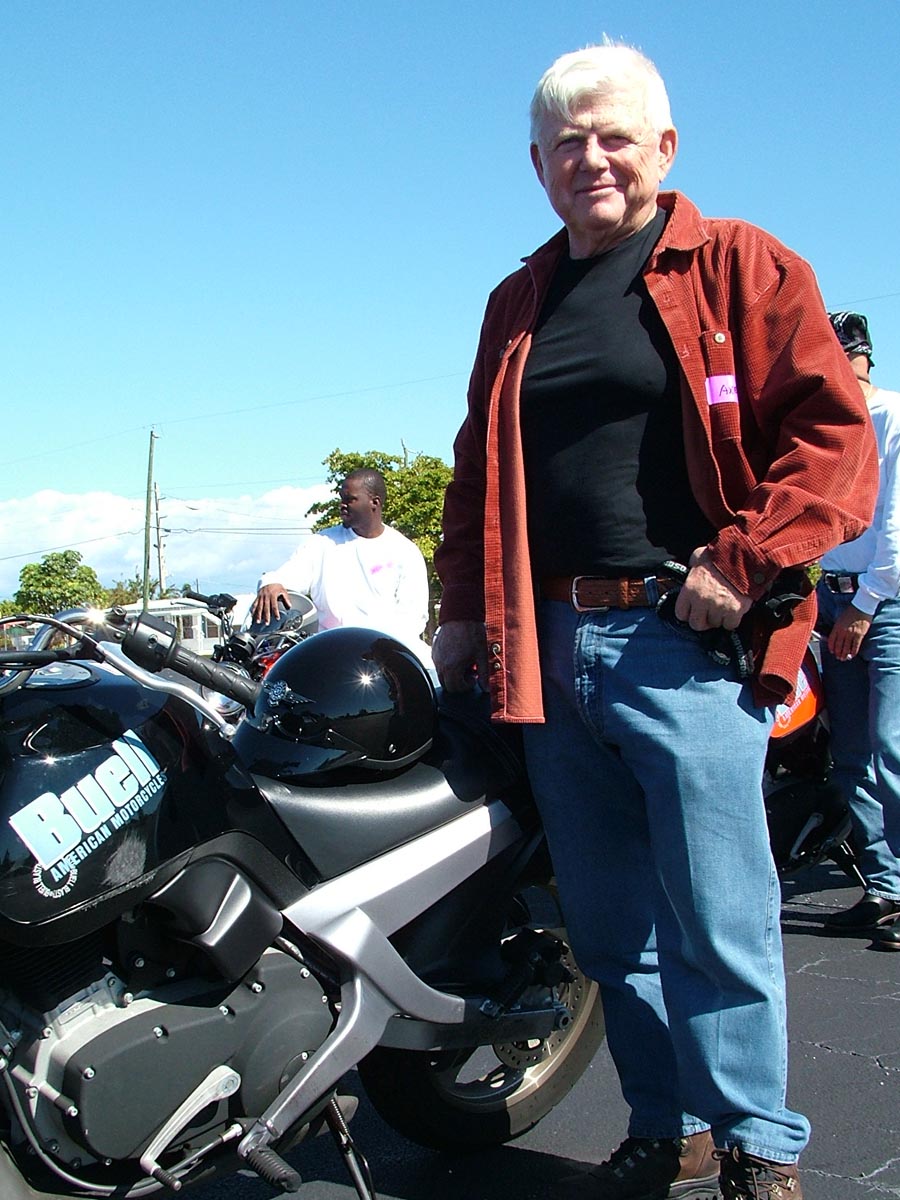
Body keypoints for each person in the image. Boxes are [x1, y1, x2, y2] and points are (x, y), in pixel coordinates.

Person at [433, 42, 878, 1200]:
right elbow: (477, 475)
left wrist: (745, 557)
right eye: (565, 143)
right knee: (607, 926)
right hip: (550, 652)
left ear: (664, 148)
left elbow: (835, 443)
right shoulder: (518, 301)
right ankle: (667, 1125)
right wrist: (459, 615)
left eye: (615, 137)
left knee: (718, 917)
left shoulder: (739, 266)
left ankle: (758, 1145)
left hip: (679, 647)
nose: (591, 159)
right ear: (537, 165)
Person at [817, 312, 900, 952]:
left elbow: (896, 527)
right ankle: (884, 886)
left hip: (885, 602)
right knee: (849, 753)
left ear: (862, 357)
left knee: (890, 745)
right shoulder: (828, 426)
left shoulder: (891, 416)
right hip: (831, 594)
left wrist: (865, 604)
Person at [252, 468, 432, 663]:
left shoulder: (404, 550)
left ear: (374, 502)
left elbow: (412, 618)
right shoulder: (322, 543)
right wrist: (270, 583)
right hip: (330, 655)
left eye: (350, 499)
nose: (342, 505)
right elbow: (285, 578)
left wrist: (379, 651)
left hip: (383, 655)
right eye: (341, 498)